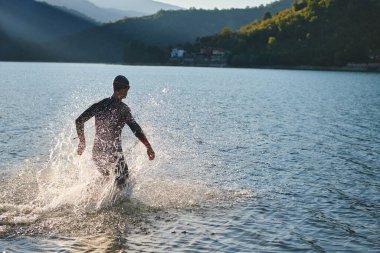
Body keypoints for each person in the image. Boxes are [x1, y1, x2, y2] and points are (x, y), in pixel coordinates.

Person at [75, 75, 155, 189]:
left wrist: (82, 143)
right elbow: (136, 130)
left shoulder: (100, 104)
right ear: (123, 89)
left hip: (97, 152)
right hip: (113, 152)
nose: (127, 93)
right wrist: (148, 146)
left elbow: (79, 121)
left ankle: (90, 194)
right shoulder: (123, 109)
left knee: (107, 180)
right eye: (127, 89)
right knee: (123, 181)